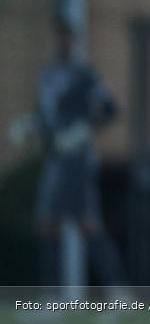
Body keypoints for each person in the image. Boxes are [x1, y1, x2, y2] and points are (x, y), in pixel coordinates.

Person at [9, 18, 128, 290]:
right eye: (58, 36)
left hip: (76, 160)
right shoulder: (47, 75)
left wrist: (83, 131)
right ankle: (110, 291)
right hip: (55, 159)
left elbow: (110, 109)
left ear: (73, 41)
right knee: (68, 224)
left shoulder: (84, 75)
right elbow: (47, 116)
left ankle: (109, 291)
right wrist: (29, 125)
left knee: (69, 223)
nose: (61, 42)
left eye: (67, 37)